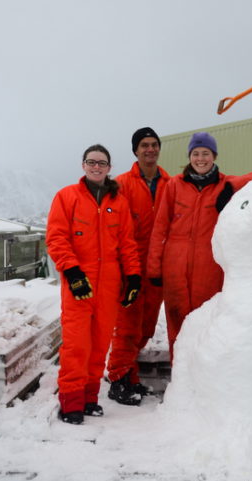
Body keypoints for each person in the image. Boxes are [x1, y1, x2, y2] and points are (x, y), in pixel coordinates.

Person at [147, 132, 252, 358]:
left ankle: (203, 382)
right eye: (195, 153)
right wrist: (154, 267)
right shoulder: (175, 185)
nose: (200, 158)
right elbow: (160, 229)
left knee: (207, 326)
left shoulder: (224, 184)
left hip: (209, 269)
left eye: (206, 153)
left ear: (214, 156)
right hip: (175, 268)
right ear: (189, 157)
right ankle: (180, 381)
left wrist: (232, 185)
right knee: (177, 328)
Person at [46, 144, 142, 424]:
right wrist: (72, 273)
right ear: (83, 165)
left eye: (102, 163)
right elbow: (56, 238)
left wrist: (133, 276)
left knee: (100, 343)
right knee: (77, 345)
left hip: (110, 282)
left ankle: (89, 399)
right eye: (91, 162)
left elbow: (127, 244)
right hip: (80, 281)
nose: (96, 166)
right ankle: (71, 401)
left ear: (109, 168)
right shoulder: (67, 197)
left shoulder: (118, 202)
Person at [106, 128, 171, 406]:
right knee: (127, 326)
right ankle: (118, 378)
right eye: (144, 145)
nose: (150, 149)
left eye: (154, 145)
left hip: (157, 268)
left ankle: (130, 376)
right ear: (135, 150)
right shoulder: (120, 184)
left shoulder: (170, 182)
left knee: (145, 327)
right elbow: (112, 229)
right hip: (130, 268)